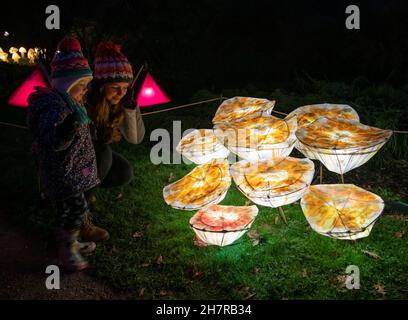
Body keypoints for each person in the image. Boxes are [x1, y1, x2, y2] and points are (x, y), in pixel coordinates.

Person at [27, 36, 99, 272]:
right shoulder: (53, 106)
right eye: (81, 85)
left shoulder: (70, 104)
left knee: (68, 210)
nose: (85, 90)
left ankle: (68, 243)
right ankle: (67, 251)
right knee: (75, 209)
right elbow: (54, 141)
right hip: (62, 174)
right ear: (67, 85)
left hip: (71, 171)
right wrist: (70, 125)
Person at [83, 41, 145, 242]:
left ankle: (84, 191)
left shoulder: (123, 102)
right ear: (101, 87)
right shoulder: (83, 100)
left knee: (124, 171)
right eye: (115, 88)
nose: (121, 93)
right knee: (103, 152)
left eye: (126, 88)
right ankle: (78, 217)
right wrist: (95, 135)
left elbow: (135, 139)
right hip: (71, 159)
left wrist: (131, 109)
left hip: (92, 158)